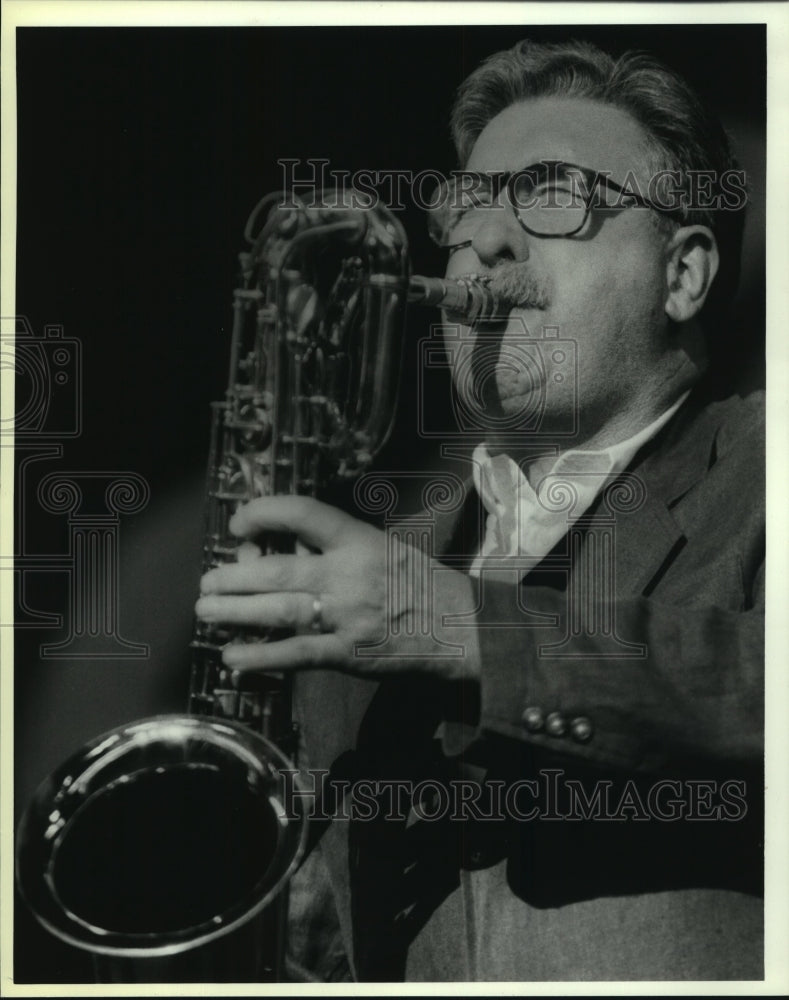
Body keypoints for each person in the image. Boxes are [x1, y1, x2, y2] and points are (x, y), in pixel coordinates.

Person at [195, 38, 763, 981]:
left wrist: (465, 631)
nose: (487, 241)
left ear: (682, 276)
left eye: (554, 196)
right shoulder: (379, 571)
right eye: (467, 205)